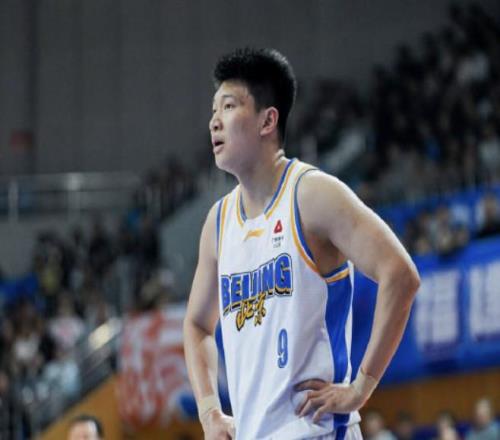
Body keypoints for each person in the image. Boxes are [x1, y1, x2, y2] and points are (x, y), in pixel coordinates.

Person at [183, 48, 420, 440]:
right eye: (213, 110)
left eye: (228, 106)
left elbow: (401, 274)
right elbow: (196, 325)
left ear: (267, 120)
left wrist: (361, 388)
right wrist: (210, 412)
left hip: (317, 431)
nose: (214, 121)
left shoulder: (311, 194)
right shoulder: (218, 223)